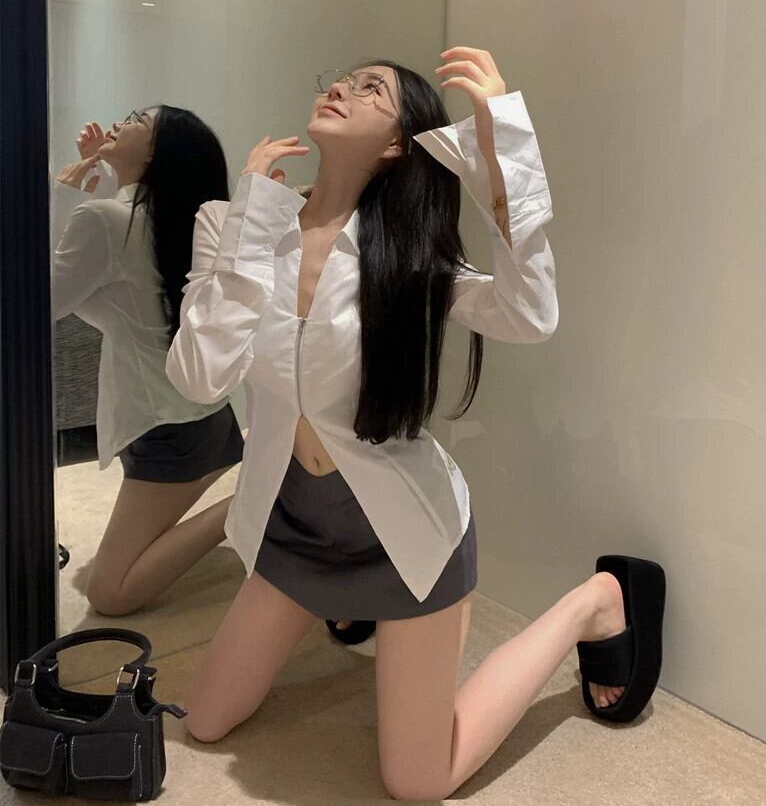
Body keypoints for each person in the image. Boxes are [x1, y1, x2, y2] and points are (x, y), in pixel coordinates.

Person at [165, 47, 666, 800]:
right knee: (204, 722)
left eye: (371, 89)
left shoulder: (407, 257)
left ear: (399, 144)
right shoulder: (237, 224)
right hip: (291, 526)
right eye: (340, 79)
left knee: (417, 781)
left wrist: (504, 148)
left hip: (404, 539)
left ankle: (592, 604)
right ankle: (349, 615)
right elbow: (198, 377)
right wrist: (250, 224)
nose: (341, 88)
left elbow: (531, 314)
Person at [52, 105, 244, 616]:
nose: (119, 123)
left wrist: (67, 194)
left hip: (167, 429)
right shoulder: (172, 222)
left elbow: (43, 300)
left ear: (157, 152)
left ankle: (261, 500)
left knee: (109, 593)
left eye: (137, 120)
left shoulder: (104, 219)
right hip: (199, 416)